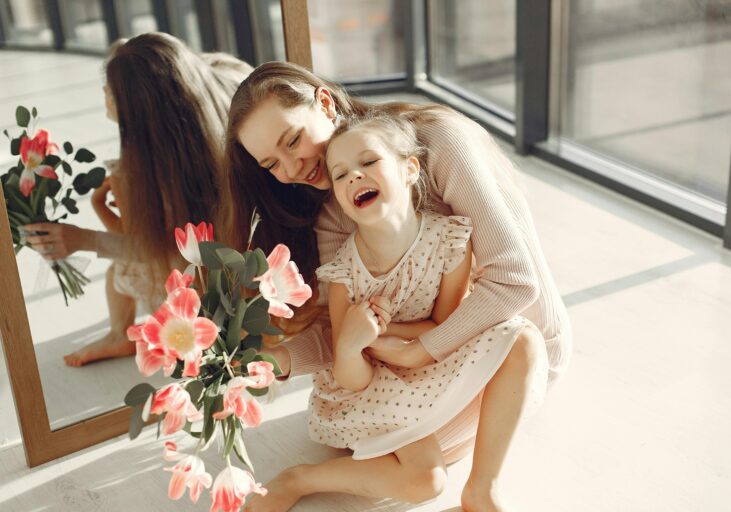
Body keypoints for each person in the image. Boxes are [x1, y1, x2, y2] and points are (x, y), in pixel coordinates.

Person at [224, 61, 572, 512]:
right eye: (271, 163)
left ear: (324, 103)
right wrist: (280, 360)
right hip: (417, 368)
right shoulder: (335, 210)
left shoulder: (439, 143)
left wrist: (418, 349)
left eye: (293, 140)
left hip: (515, 352)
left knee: (411, 457)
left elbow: (514, 282)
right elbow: (344, 330)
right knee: (405, 462)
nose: (292, 167)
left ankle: (474, 487)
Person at [23, 33, 251, 367]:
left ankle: (123, 333)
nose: (104, 94)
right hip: (238, 256)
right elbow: (145, 235)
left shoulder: (160, 170)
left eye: (110, 89)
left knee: (128, 268)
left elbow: (163, 249)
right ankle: (123, 331)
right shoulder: (209, 98)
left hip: (229, 274)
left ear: (138, 110)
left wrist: (85, 239)